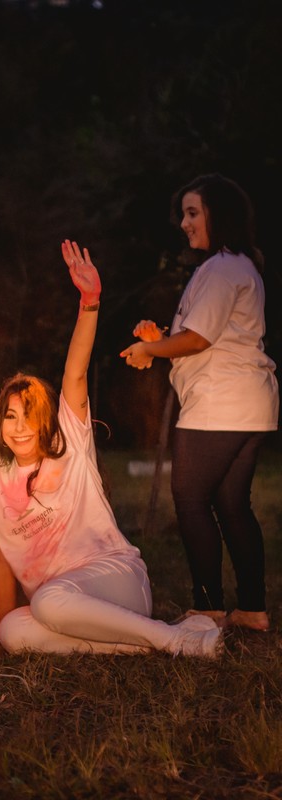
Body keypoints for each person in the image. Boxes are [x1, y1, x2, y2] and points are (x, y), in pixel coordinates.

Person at [0, 241, 223, 657]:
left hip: (113, 579)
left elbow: (75, 370)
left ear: (48, 422)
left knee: (47, 602)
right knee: (15, 631)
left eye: (30, 416)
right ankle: (146, 645)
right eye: (10, 416)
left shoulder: (68, 445)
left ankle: (174, 640)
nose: (19, 428)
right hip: (58, 606)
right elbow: (0, 560)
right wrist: (1, 626)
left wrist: (89, 303)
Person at [120, 175, 277, 631]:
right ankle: (251, 609)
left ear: (218, 215)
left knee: (190, 500)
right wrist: (158, 340)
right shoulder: (235, 266)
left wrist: (152, 350)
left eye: (193, 213)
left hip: (220, 404)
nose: (184, 223)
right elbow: (204, 337)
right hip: (247, 403)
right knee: (231, 504)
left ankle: (207, 608)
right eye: (183, 214)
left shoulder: (224, 268)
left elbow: (200, 338)